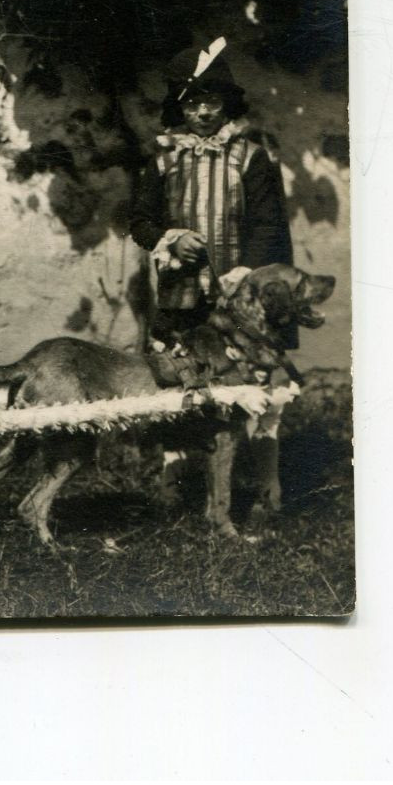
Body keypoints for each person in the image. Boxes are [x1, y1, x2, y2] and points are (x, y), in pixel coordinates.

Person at [128, 37, 296, 509]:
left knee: (259, 382)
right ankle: (175, 484)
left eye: (212, 101)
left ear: (228, 104)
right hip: (182, 296)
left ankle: (266, 486)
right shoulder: (162, 161)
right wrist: (170, 237)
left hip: (243, 300)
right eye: (193, 101)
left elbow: (269, 224)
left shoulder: (251, 158)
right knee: (181, 382)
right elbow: (139, 222)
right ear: (179, 107)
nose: (203, 112)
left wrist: (244, 271)